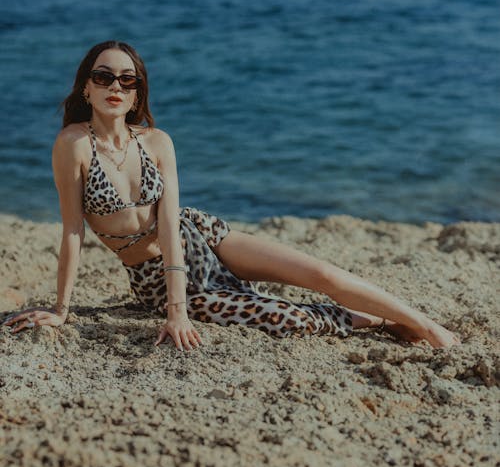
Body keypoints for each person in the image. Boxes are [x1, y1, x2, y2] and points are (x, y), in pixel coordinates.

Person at [3, 41, 460, 352]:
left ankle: (425, 325)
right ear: (86, 85)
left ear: (138, 90)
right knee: (288, 318)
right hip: (153, 277)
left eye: (127, 80)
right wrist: (62, 311)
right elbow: (71, 232)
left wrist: (179, 312)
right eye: (104, 77)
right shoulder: (73, 146)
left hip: (196, 231)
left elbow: (169, 223)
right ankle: (381, 324)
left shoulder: (157, 141)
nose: (115, 88)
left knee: (319, 271)